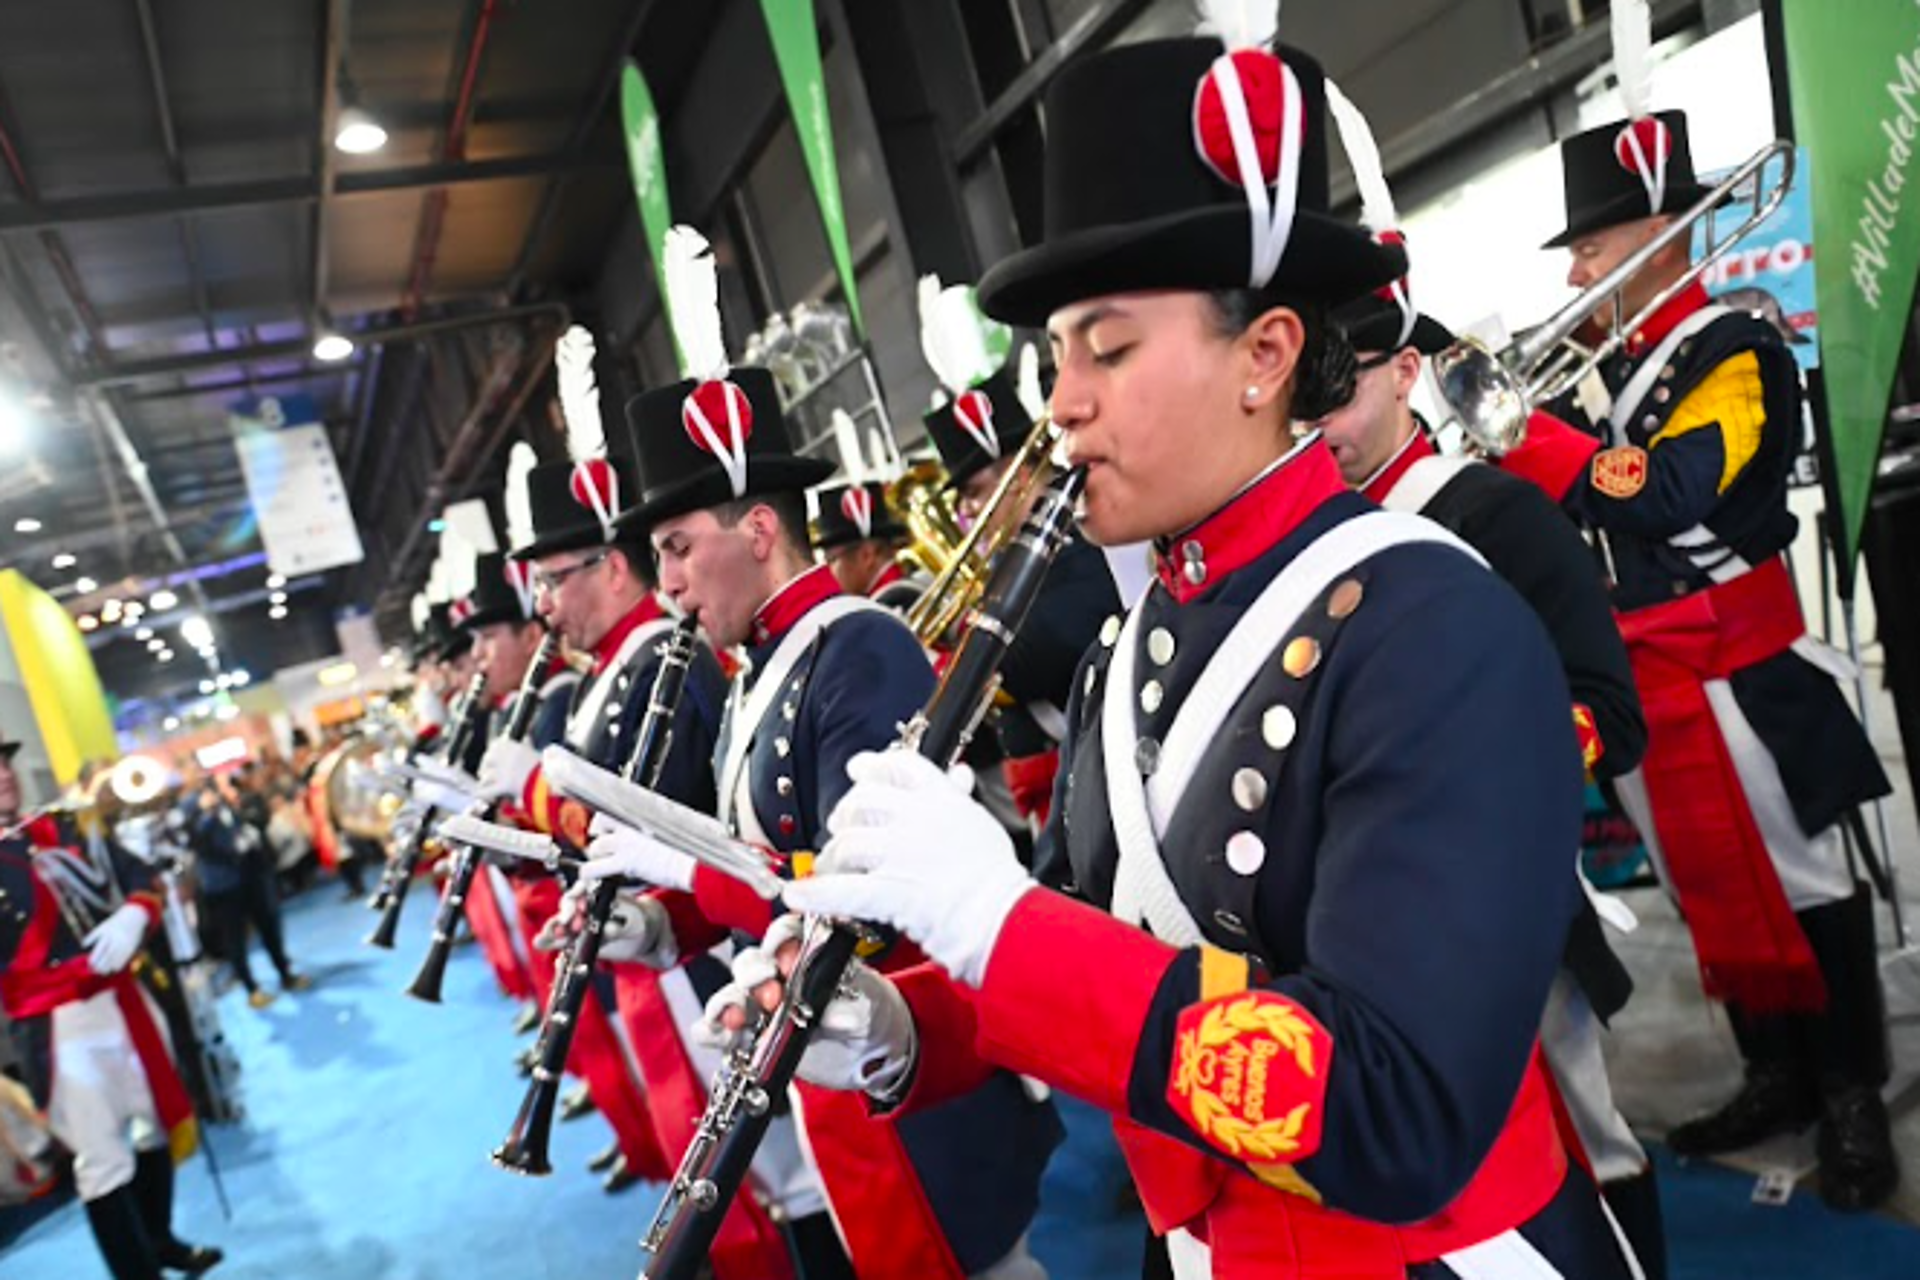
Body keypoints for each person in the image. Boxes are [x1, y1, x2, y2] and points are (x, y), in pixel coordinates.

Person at [760, 20, 1634, 1279]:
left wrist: (999, 927)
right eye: (1056, 356)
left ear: (1267, 354)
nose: (1061, 401)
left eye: (1106, 348)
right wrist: (905, 1018)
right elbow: (1098, 929)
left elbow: (1396, 1109)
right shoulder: (1137, 633)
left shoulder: (1436, 623)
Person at [580, 246, 1061, 1280]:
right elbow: (770, 860)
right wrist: (665, 923)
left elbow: (858, 899)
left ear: (758, 528)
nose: (663, 583)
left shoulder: (860, 643)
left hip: (918, 1060)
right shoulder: (758, 665)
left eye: (674, 546)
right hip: (844, 1076)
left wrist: (689, 873)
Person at [1496, 103, 1899, 1211]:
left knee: (1807, 878)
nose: (1578, 264)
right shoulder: (1590, 369)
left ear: (1667, 235)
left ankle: (1853, 1089)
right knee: (1700, 880)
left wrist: (1533, 440)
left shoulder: (1738, 344)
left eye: (1595, 241)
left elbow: (1674, 493)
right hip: (1648, 675)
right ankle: (1775, 1068)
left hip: (1744, 666)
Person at [1316, 267, 1664, 1272]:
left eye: (1344, 385)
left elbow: (1608, 706)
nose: (1322, 423)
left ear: (1407, 372)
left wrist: (1484, 772)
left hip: (1501, 898)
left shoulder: (1497, 514)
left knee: (1585, 1133)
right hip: (1358, 918)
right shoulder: (1305, 540)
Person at [475, 433, 728, 1197]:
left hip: (693, 943)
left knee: (754, 1181)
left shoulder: (656, 660)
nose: (544, 606)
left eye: (552, 580)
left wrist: (534, 793)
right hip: (648, 940)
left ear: (612, 568)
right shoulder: (614, 670)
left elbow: (649, 820)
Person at [0, 735, 223, 1278]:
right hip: (57, 1024)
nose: (5, 773)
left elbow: (142, 881)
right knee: (102, 1159)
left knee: (152, 1125)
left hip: (126, 998)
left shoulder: (69, 826)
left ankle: (160, 1239)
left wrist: (133, 918)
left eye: (5, 762)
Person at [924, 367, 1120, 834]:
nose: (968, 512)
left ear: (1019, 476)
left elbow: (1047, 647)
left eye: (974, 493)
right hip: (1050, 794)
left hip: (1096, 785)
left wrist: (947, 660)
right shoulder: (1008, 565)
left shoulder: (1085, 540)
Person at [183, 773, 308, 1010]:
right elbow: (197, 840)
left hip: (252, 877)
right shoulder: (192, 808)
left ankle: (285, 974)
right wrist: (208, 812)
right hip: (224, 887)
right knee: (235, 940)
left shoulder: (231, 801)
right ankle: (252, 989)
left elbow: (255, 822)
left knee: (270, 927)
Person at [812, 480, 923, 609]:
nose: (829, 573)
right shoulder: (916, 588)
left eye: (832, 560)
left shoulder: (889, 604)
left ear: (867, 555)